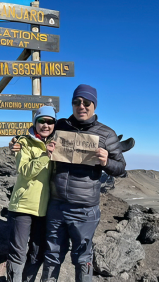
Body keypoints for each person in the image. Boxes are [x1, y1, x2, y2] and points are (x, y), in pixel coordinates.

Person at [10, 85, 126, 282]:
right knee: (52, 256)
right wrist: (18, 141)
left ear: (94, 105)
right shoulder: (61, 126)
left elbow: (121, 168)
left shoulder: (107, 134)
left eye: (86, 102)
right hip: (56, 205)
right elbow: (38, 134)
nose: (81, 106)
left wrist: (107, 161)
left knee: (82, 259)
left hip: (85, 209)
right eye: (76, 102)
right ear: (72, 104)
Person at [7, 105, 57, 282]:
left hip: (44, 210)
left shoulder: (57, 144)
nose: (46, 125)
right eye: (42, 121)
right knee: (18, 254)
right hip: (23, 206)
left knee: (37, 254)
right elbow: (26, 171)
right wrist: (45, 155)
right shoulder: (24, 143)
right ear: (35, 122)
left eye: (50, 122)